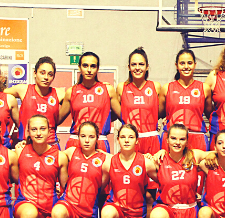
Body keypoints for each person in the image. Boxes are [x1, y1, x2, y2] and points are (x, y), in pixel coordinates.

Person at [8, 115, 69, 218]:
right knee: (30, 213)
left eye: (42, 129)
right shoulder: (19, 151)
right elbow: (13, 178)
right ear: (28, 131)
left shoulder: (60, 156)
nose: (38, 133)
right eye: (34, 129)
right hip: (25, 204)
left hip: (48, 210)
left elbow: (65, 188)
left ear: (49, 131)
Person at [97, 124, 159, 218]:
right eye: (123, 137)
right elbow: (100, 188)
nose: (126, 140)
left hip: (136, 214)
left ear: (137, 141)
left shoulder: (145, 162)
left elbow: (164, 181)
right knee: (106, 213)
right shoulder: (109, 163)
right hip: (117, 207)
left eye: (131, 137)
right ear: (118, 140)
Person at [50, 121, 111, 218]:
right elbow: (48, 154)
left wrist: (153, 154)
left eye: (91, 137)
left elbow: (127, 159)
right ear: (78, 137)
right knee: (57, 212)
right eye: (83, 136)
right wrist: (24, 145)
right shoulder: (71, 152)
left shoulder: (106, 159)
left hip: (88, 212)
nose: (87, 140)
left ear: (97, 138)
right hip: (69, 204)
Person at [144, 124, 203, 218]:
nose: (177, 142)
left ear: (187, 141)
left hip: (188, 210)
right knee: (156, 217)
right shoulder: (159, 160)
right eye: (173, 138)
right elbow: (135, 159)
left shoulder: (194, 156)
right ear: (167, 140)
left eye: (182, 139)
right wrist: (151, 155)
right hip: (167, 208)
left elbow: (217, 155)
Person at [0, 56, 66, 147]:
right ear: (35, 73)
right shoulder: (23, 89)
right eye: (42, 73)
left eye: (50, 74)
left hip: (50, 144)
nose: (46, 77)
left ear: (54, 76)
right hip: (26, 144)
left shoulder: (59, 94)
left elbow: (67, 110)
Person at [117, 47, 164, 202]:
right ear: (129, 67)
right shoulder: (122, 88)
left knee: (151, 193)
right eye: (134, 64)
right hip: (130, 142)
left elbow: (162, 112)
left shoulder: (156, 87)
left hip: (151, 141)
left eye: (141, 64)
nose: (137, 68)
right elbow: (117, 113)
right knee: (131, 188)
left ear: (147, 66)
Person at [62, 51, 121, 152]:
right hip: (76, 141)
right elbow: (56, 120)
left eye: (93, 66)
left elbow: (122, 116)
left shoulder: (107, 90)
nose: (89, 70)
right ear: (79, 67)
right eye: (85, 66)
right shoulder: (71, 91)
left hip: (100, 141)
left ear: (97, 68)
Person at [162, 49, 212, 151]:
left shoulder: (204, 88)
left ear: (195, 64)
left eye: (189, 63)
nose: (186, 66)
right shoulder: (167, 88)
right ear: (176, 65)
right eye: (182, 63)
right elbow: (158, 114)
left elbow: (210, 115)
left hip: (197, 136)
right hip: (173, 138)